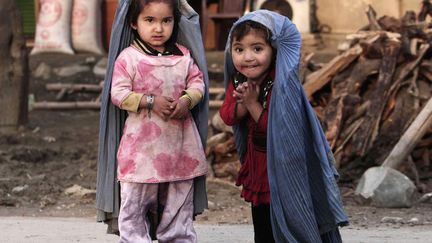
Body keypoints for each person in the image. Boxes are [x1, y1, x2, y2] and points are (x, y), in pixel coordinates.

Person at [219, 10, 349, 243]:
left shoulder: (281, 84)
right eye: (239, 49)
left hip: (285, 168)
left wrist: (251, 103)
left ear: (275, 51)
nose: (247, 57)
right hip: (259, 168)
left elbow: (276, 127)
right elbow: (228, 116)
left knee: (292, 221)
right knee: (263, 227)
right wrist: (242, 103)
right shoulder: (238, 81)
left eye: (257, 49)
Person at [96, 0, 209, 242]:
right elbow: (118, 94)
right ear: (133, 23)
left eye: (166, 21)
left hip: (181, 150)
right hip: (141, 155)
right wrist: (150, 100)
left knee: (179, 211)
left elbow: (198, 83)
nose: (158, 28)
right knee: (134, 211)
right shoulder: (129, 58)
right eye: (150, 20)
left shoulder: (183, 55)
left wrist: (187, 101)